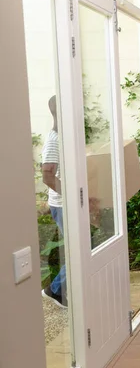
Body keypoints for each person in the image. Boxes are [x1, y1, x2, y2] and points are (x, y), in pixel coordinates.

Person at [41, 95, 68, 309]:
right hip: (62, 204)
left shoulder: (65, 136)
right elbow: (47, 176)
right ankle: (55, 290)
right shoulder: (53, 140)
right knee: (79, 248)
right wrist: (69, 195)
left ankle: (61, 288)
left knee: (84, 246)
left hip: (68, 203)